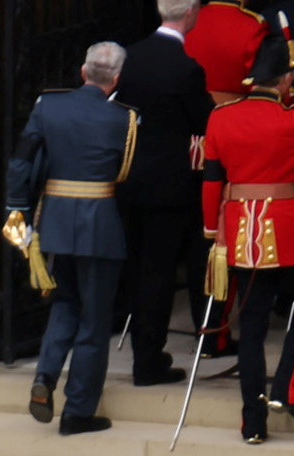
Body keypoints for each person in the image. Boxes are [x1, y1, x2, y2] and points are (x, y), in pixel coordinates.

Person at [7, 44, 136, 437]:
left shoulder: (48, 106)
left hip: (57, 222)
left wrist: (17, 214)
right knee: (94, 322)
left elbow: (21, 162)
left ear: (83, 71)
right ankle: (78, 411)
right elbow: (125, 174)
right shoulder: (125, 119)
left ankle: (45, 377)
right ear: (115, 79)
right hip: (100, 224)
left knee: (64, 304)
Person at [205, 65, 294, 441]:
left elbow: (212, 180)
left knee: (253, 326)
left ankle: (253, 423)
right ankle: (286, 387)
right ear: (286, 79)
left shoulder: (221, 116)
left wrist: (214, 230)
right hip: (288, 229)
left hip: (241, 231)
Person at [118, 0, 212, 388]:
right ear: (190, 13)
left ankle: (144, 352)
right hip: (168, 185)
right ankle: (148, 361)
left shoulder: (132, 56)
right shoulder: (186, 67)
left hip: (129, 178)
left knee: (138, 270)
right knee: (157, 275)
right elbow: (204, 121)